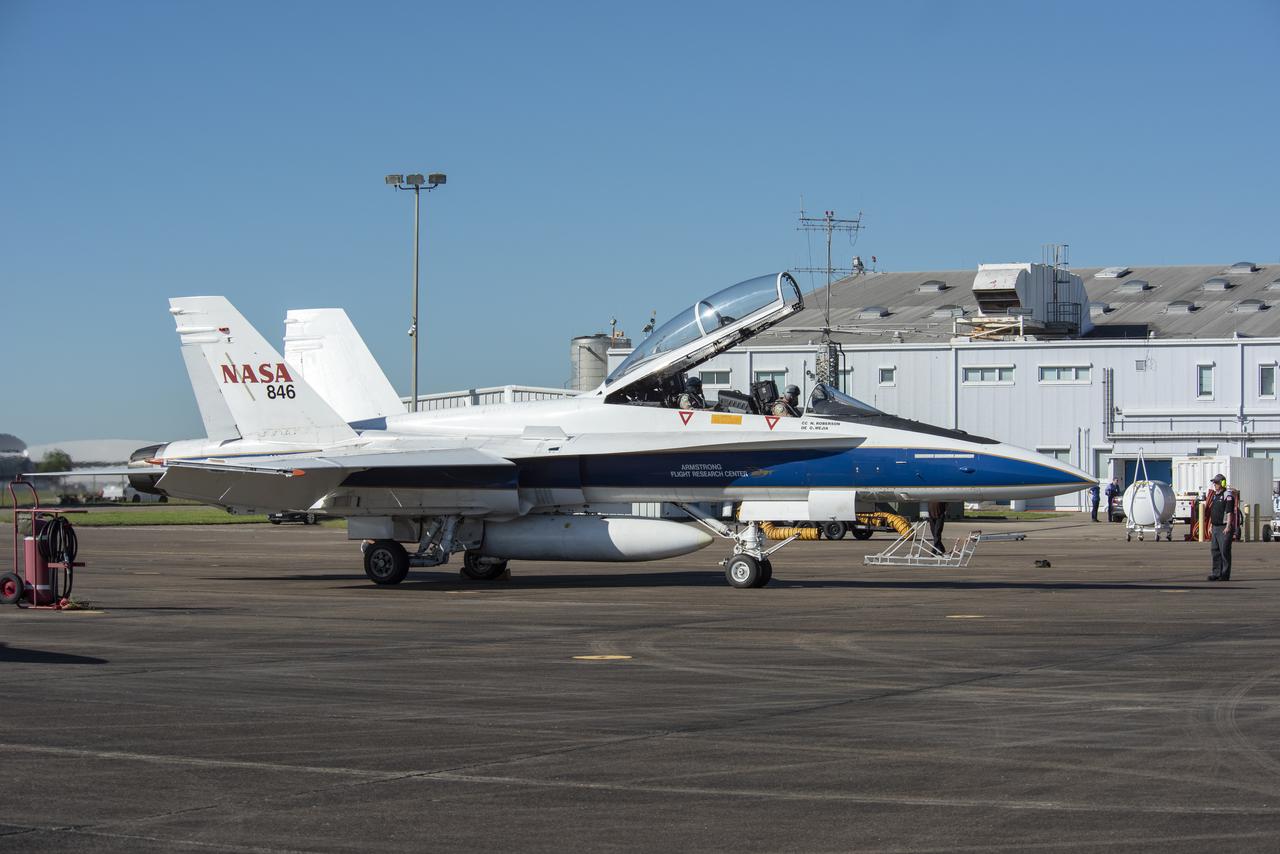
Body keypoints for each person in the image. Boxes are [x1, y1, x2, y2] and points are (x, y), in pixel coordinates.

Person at [1207, 474, 1237, 581]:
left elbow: (1229, 512)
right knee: (1215, 550)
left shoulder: (1227, 495)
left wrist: (1228, 526)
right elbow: (1213, 512)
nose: (1214, 484)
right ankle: (1216, 573)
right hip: (1215, 527)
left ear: (1222, 483)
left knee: (1224, 551)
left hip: (1224, 527)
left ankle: (1224, 574)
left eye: (1216, 482)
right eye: (1214, 482)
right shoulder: (1215, 495)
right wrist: (1211, 525)